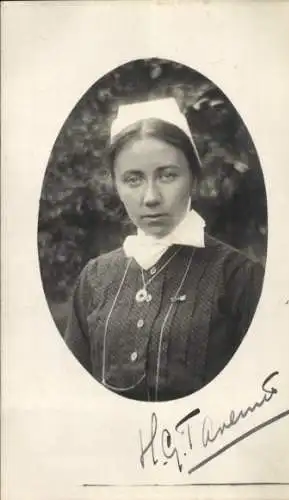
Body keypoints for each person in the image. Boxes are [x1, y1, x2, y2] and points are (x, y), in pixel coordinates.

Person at [64, 97, 264, 402]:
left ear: (194, 178)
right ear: (116, 185)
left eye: (168, 175)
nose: (151, 197)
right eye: (133, 179)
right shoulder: (94, 278)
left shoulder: (239, 278)